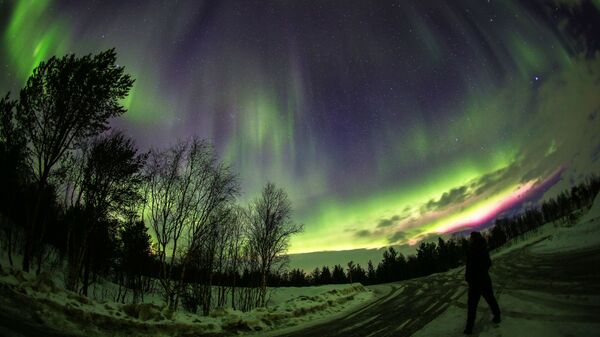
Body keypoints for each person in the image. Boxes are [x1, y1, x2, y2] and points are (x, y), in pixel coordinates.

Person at [464, 231, 501, 335]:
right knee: (477, 303)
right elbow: (470, 267)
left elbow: (486, 264)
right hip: (479, 281)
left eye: (471, 237)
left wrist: (474, 275)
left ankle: (469, 328)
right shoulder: (476, 249)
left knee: (482, 302)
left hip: (479, 281)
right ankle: (469, 327)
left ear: (474, 238)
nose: (470, 239)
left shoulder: (477, 250)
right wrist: (468, 277)